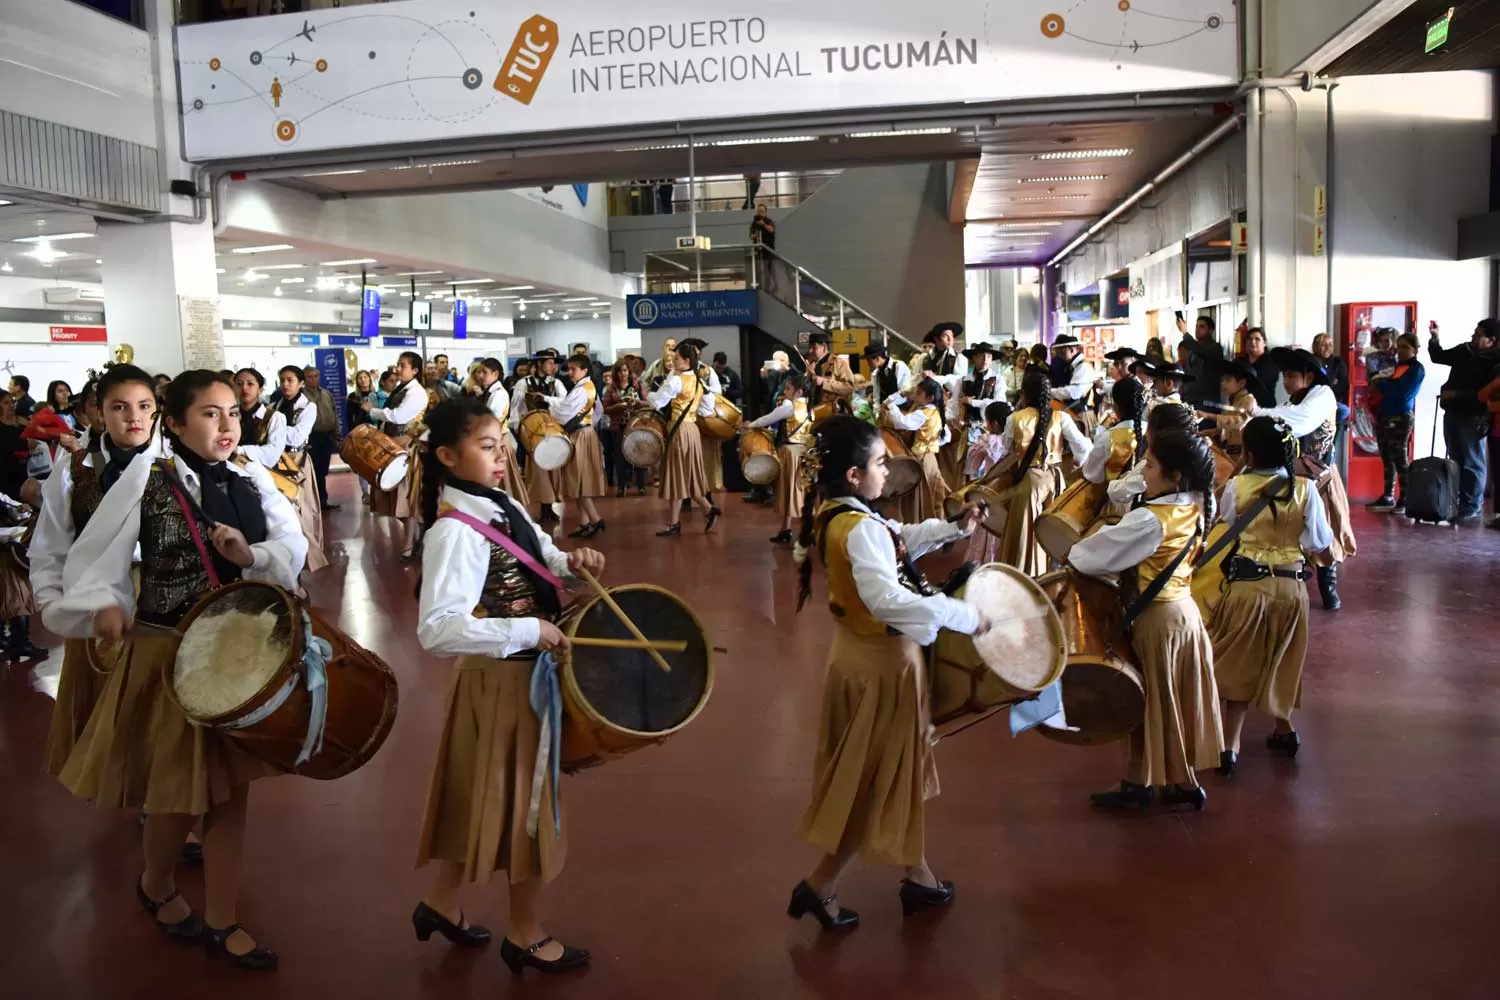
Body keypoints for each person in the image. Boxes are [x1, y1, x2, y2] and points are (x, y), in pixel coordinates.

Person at [43, 370, 307, 971]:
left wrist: (256, 555)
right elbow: (97, 559)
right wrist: (102, 607)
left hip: (242, 653)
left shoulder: (250, 474)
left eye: (233, 414)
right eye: (210, 415)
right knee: (177, 794)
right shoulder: (144, 479)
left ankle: (222, 915)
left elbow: (293, 547)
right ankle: (156, 883)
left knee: (231, 792)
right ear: (178, 422)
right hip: (170, 652)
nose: (227, 426)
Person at [410, 396, 604, 974]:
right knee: (528, 808)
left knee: (487, 798)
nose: (502, 457)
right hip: (501, 683)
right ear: (447, 456)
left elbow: (537, 556)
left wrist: (571, 562)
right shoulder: (454, 532)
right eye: (488, 447)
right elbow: (437, 630)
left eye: (502, 446)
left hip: (517, 678)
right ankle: (525, 933)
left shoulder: (501, 502)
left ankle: (442, 901)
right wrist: (529, 627)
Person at [787, 416, 985, 932]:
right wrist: (965, 617)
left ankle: (918, 875)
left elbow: (896, 544)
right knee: (874, 780)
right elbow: (888, 597)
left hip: (863, 659)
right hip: (880, 668)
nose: (887, 472)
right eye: (879, 463)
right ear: (854, 474)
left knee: (894, 770)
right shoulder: (858, 528)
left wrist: (951, 529)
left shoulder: (843, 514)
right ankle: (821, 884)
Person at [1069, 428, 1223, 811]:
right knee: (1173, 701)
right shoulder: (1196, 504)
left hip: (1158, 621)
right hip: (1185, 613)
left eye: (1150, 465)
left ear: (1173, 477)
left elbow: (1085, 556)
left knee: (1151, 702)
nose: (1143, 470)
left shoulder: (1150, 521)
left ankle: (1155, 783)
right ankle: (1171, 780)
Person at [32, 364, 161, 772]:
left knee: (159, 702)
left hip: (164, 596)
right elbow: (50, 545)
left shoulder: (172, 466)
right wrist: (54, 601)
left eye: (144, 406)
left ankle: (158, 792)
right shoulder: (74, 470)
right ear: (98, 414)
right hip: (97, 600)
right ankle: (128, 783)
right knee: (111, 704)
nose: (134, 417)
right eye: (119, 407)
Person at [1209, 416, 1334, 778]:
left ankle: (1229, 746)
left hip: (1248, 586)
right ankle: (1285, 730)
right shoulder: (1306, 489)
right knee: (1283, 657)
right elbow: (1319, 542)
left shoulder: (1237, 486)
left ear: (1247, 452)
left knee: (1239, 661)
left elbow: (1226, 522)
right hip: (1292, 588)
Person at [1256, 348, 1357, 610]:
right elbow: (1281, 415)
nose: (1286, 382)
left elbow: (1296, 422)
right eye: (1284, 376)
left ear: (1308, 376)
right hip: (1294, 477)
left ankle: (1329, 588)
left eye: (1291, 376)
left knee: (1325, 535)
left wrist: (1257, 412)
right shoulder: (1294, 400)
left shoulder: (1322, 396)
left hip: (1319, 478)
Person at [990, 367, 1092, 575]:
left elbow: (1006, 453)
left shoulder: (1015, 419)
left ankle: (1027, 576)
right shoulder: (1061, 418)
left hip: (1029, 482)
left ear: (1024, 394)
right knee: (1051, 533)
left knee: (1025, 536)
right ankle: (1050, 576)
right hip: (1055, 480)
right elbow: (1084, 447)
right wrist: (1078, 462)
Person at [645, 342, 720, 537]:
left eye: (676, 358)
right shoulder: (698, 380)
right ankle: (706, 509)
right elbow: (708, 408)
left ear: (686, 361)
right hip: (692, 429)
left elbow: (657, 401)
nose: (673, 360)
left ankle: (675, 523)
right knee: (689, 474)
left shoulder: (677, 381)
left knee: (677, 474)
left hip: (678, 430)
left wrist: (647, 394)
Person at [1428, 318, 1499, 522]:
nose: (1473, 337)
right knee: (1456, 459)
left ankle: (1472, 505)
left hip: (1473, 416)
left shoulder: (1494, 362)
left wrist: (1456, 395)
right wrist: (1434, 338)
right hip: (1452, 412)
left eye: (1478, 335)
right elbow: (1438, 357)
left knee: (1472, 462)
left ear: (1491, 340)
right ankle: (1458, 502)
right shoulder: (1464, 351)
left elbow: (1484, 394)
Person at [363, 351, 429, 560]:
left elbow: (399, 416)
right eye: (398, 365)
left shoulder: (416, 392)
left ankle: (409, 546)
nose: (398, 369)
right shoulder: (403, 388)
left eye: (403, 366)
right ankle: (418, 534)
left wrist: (373, 411)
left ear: (415, 370)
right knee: (396, 498)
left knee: (407, 498)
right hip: (395, 447)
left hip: (407, 449)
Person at [274, 366, 327, 573]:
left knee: (302, 508)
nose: (285, 385)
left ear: (301, 383)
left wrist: (273, 426)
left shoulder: (308, 407)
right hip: (277, 458)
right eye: (282, 380)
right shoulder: (277, 403)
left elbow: (296, 436)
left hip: (296, 459)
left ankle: (308, 554)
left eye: (290, 380)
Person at [747, 374, 812, 545]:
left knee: (789, 491)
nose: (785, 391)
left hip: (789, 452)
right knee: (796, 491)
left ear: (798, 391)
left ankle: (797, 530)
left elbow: (769, 418)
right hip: (803, 452)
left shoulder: (788, 406)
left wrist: (752, 424)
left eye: (789, 388)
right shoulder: (808, 406)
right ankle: (787, 529)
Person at [548, 355, 608, 538]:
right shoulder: (587, 387)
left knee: (579, 480)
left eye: (574, 369)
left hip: (580, 436)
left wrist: (549, 406)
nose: (570, 372)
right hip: (585, 433)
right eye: (570, 369)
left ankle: (596, 520)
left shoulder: (582, 390)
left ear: (584, 370)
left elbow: (563, 414)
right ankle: (584, 523)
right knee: (579, 480)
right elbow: (598, 411)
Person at [1366, 333, 1426, 513]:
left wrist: (1382, 384)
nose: (1400, 351)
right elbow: (1375, 381)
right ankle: (1388, 496)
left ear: (1415, 350)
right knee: (1387, 457)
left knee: (1400, 458)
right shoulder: (1397, 366)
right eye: (1399, 347)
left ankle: (1405, 498)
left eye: (1405, 347)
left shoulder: (1416, 369)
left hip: (1400, 416)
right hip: (1384, 414)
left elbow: (1401, 392)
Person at [882, 378, 951, 525]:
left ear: (930, 398)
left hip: (921, 458)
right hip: (931, 457)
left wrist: (893, 402)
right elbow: (946, 437)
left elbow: (901, 422)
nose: (915, 394)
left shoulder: (923, 414)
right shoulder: (936, 412)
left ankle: (923, 526)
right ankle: (941, 525)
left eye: (919, 393)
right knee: (936, 494)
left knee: (920, 497)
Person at [510, 350, 566, 526]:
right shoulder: (523, 383)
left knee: (553, 468)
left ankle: (550, 505)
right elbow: (516, 409)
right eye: (549, 363)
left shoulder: (556, 383)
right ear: (539, 364)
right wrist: (519, 430)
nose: (553, 366)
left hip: (552, 430)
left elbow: (564, 403)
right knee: (539, 471)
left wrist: (547, 399)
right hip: (533, 433)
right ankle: (544, 507)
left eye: (553, 363)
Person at [472, 357, 529, 508]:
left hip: (500, 443)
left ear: (495, 374)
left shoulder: (499, 394)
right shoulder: (490, 392)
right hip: (494, 442)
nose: (481, 376)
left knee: (505, 485)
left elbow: (491, 420)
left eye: (484, 372)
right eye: (479, 372)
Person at [963, 400, 1014, 566]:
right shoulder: (1015, 441)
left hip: (989, 491)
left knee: (984, 529)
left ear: (994, 424)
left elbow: (973, 465)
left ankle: (978, 566)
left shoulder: (987, 440)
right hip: (1008, 494)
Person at [919, 323, 969, 489]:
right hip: (927, 406)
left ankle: (949, 488)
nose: (950, 340)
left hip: (949, 407)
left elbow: (958, 381)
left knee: (948, 450)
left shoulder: (959, 358)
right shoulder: (925, 358)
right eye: (945, 336)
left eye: (951, 336)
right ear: (936, 339)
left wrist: (936, 378)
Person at [603, 360, 645, 498]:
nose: (623, 374)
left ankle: (641, 485)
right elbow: (605, 408)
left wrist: (637, 403)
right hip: (619, 425)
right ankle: (621, 486)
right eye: (620, 371)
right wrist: (618, 407)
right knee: (620, 457)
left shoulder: (637, 385)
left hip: (636, 424)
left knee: (639, 455)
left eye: (625, 370)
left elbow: (648, 402)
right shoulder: (611, 388)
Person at [301, 366, 341, 513]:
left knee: (322, 471)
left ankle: (322, 501)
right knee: (311, 470)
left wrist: (336, 433)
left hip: (326, 436)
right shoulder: (301, 396)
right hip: (311, 437)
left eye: (316, 376)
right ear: (304, 379)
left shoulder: (326, 394)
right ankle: (311, 503)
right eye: (310, 376)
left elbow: (334, 413)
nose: (313, 379)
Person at [1205, 360, 1262, 461]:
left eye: (1227, 380)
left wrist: (1207, 415)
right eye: (1222, 380)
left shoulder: (1249, 400)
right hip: (1230, 451)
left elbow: (1237, 422)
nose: (1223, 384)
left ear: (1242, 383)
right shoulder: (1235, 400)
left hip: (1240, 455)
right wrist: (1205, 432)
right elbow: (1227, 428)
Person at [959, 342, 1002, 470]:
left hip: (988, 428)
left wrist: (974, 402)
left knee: (987, 465)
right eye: (981, 356)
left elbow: (999, 402)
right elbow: (957, 401)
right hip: (966, 427)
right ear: (974, 358)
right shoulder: (964, 380)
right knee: (966, 463)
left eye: (989, 356)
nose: (985, 359)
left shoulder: (997, 379)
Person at [1047, 333, 1100, 434]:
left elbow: (1073, 393)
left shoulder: (1083, 367)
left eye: (1062, 353)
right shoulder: (1075, 366)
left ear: (1071, 350)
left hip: (1083, 415)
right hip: (1078, 413)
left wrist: (1050, 391)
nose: (1060, 357)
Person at [345, 370, 379, 504]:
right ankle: (365, 493)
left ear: (370, 380)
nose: (363, 380)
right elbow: (349, 417)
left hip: (375, 433)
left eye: (365, 377)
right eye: (360, 378)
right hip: (359, 433)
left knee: (376, 462)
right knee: (362, 464)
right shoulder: (353, 396)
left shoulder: (375, 395)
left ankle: (376, 492)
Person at [855, 343, 911, 410]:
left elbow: (904, 391)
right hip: (885, 411)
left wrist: (887, 403)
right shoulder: (875, 374)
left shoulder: (899, 366)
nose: (868, 364)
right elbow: (877, 397)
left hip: (902, 409)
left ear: (877, 358)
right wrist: (877, 413)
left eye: (869, 361)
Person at [1239, 328, 1280, 408]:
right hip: (1241, 406)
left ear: (1264, 343)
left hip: (1264, 408)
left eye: (1257, 339)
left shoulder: (1271, 363)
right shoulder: (1240, 362)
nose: (1252, 342)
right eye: (1249, 339)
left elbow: (1255, 384)